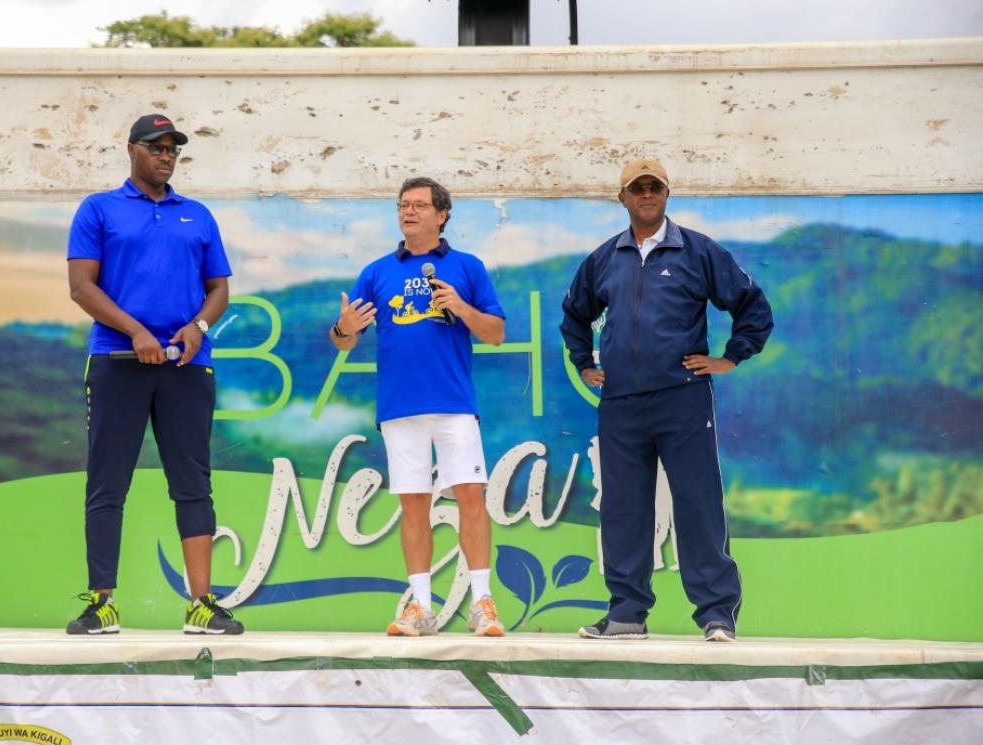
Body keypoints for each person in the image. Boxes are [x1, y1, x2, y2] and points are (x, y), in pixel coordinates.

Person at [560, 159, 773, 642]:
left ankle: (717, 613)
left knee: (697, 504)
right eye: (638, 188)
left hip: (683, 399)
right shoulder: (603, 259)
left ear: (667, 194)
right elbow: (574, 314)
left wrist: (731, 357)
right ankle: (627, 614)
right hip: (620, 403)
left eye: (655, 187)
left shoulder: (696, 251)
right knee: (623, 508)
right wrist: (583, 362)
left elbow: (752, 306)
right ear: (623, 198)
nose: (647, 194)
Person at [64, 114, 242, 635]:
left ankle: (202, 604)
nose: (166, 156)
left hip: (187, 365)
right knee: (107, 484)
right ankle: (102, 604)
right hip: (118, 363)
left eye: (173, 150)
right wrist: (136, 332)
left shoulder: (198, 215)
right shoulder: (99, 209)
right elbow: (81, 287)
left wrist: (199, 327)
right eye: (156, 147)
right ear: (132, 150)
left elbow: (219, 290)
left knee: (193, 484)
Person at [330, 177, 508, 637]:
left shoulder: (468, 267)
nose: (409, 212)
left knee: (470, 495)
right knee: (414, 502)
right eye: (403, 206)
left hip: (452, 402)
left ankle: (482, 602)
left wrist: (462, 308)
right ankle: (421, 606)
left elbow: (495, 333)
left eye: (419, 206)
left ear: (442, 214)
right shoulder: (376, 271)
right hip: (399, 406)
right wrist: (343, 326)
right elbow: (343, 342)